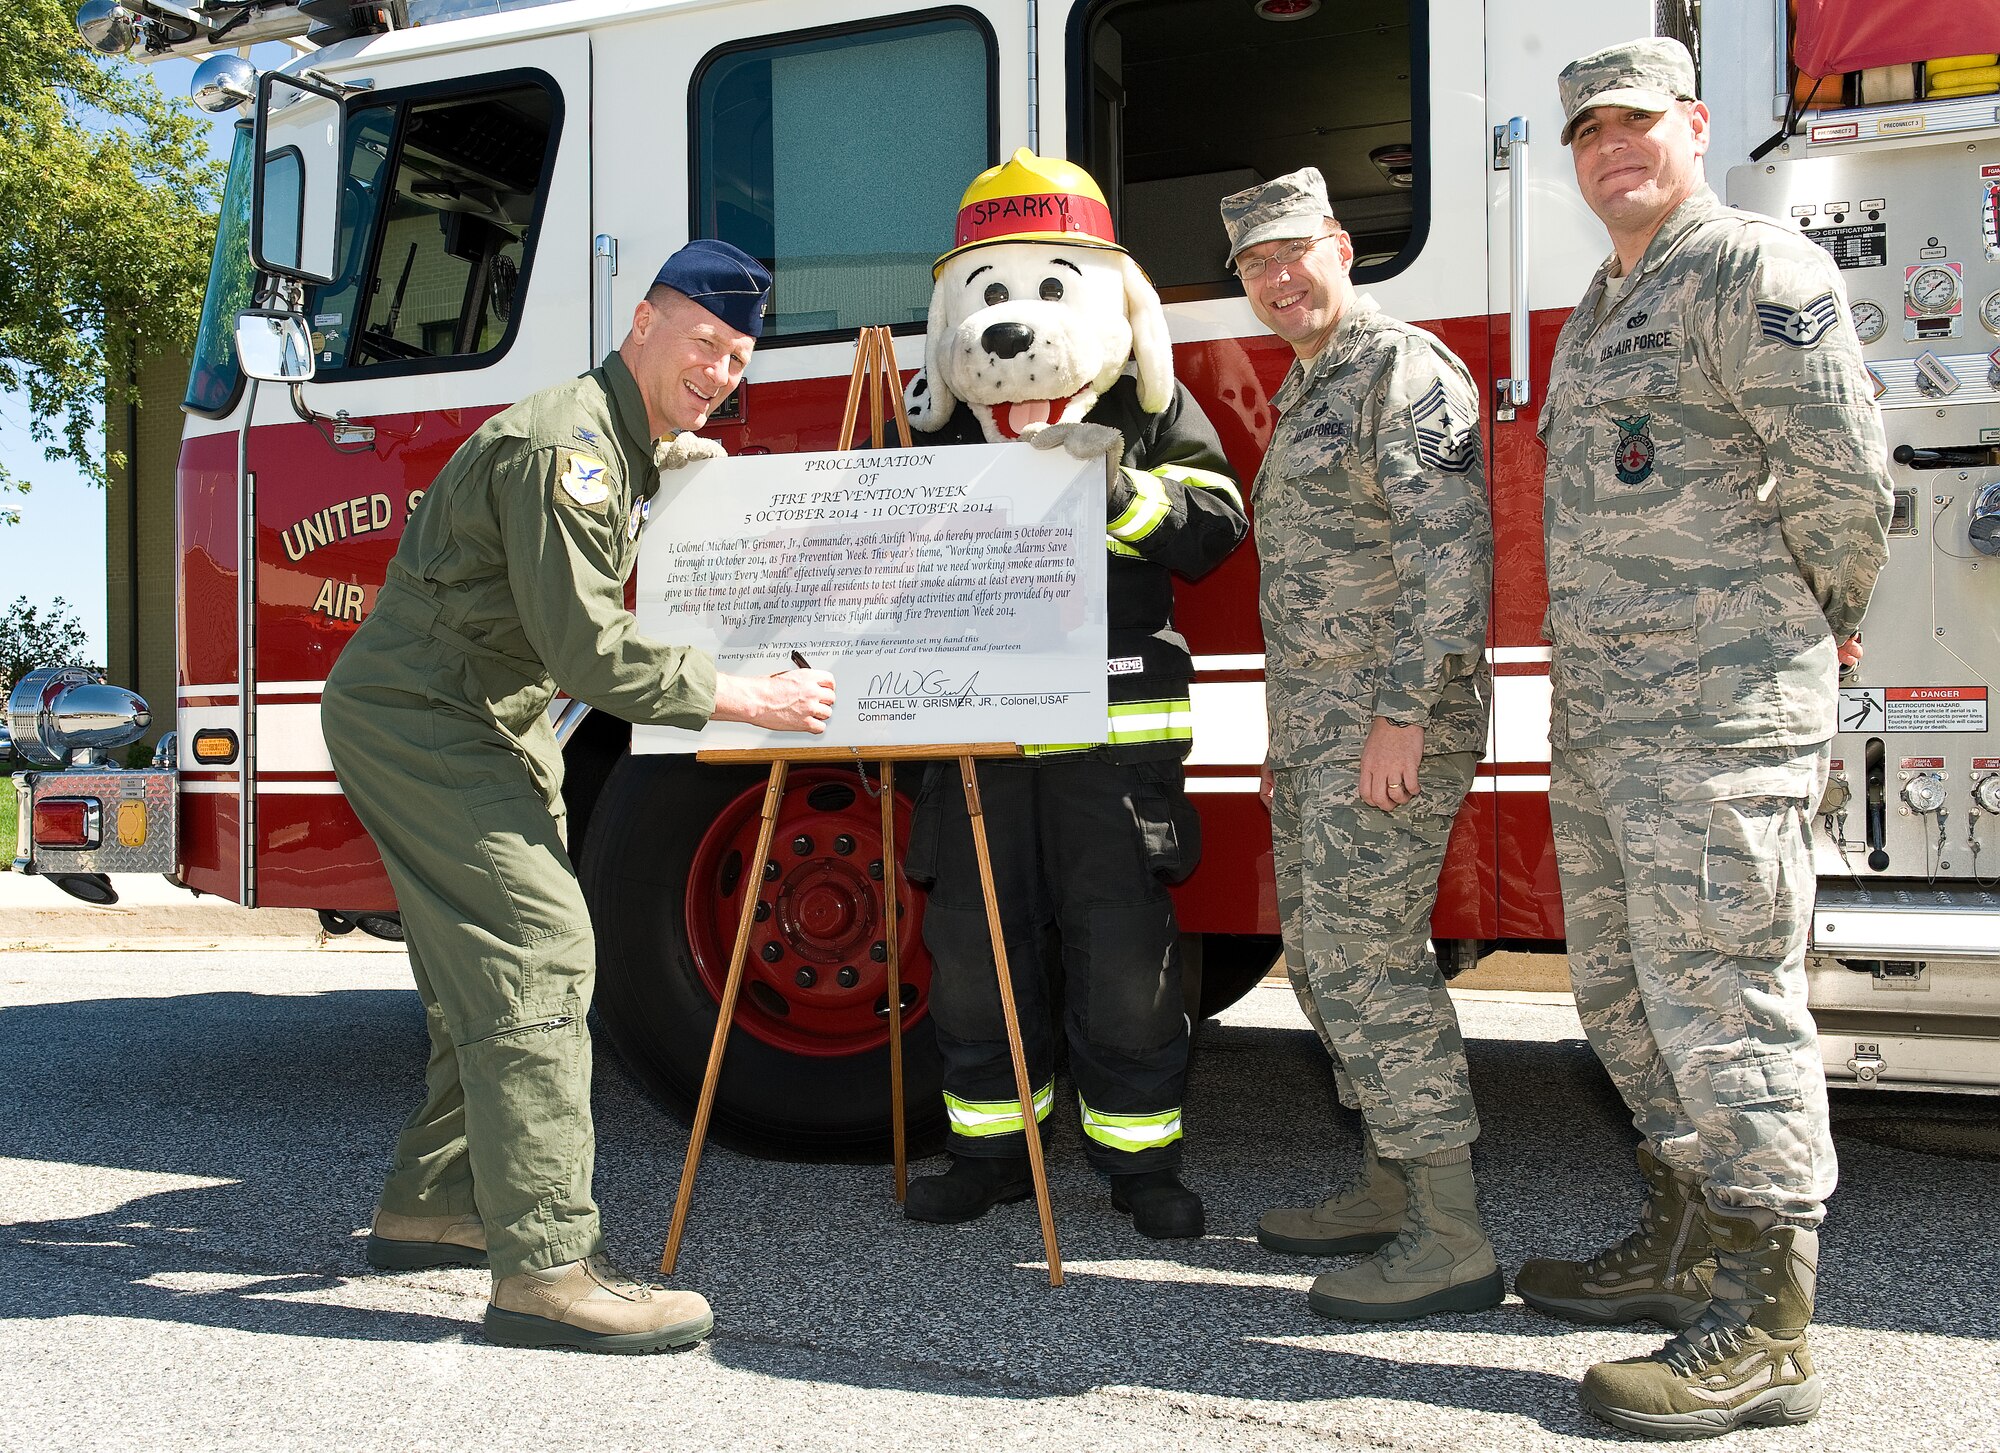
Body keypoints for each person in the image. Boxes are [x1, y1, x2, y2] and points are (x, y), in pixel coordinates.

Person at [323, 239, 837, 1354]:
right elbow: (592, 654)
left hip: (478, 713)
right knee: (539, 953)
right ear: (641, 321)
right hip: (432, 715)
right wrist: (749, 696)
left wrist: (667, 467)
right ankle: (546, 1268)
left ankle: (430, 1204)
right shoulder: (572, 448)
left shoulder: (616, 440)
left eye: (739, 356)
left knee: (483, 968)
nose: (720, 371)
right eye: (704, 341)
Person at [1523, 38, 1891, 1438]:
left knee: (1726, 1001)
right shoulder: (1607, 300)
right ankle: (1682, 1244)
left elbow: (1845, 475)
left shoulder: (1753, 271)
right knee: (1626, 996)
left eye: (1639, 122)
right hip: (1611, 722)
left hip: (1720, 718)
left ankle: (1772, 1327)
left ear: (1695, 124)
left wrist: (1809, 628)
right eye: (1589, 131)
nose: (1613, 147)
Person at [896, 152, 1248, 1240]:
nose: (1010, 323)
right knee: (971, 955)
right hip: (976, 746)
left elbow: (1214, 529)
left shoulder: (1149, 412)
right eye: (988, 292)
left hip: (1109, 751)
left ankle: (1137, 1163)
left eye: (1045, 287)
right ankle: (990, 1155)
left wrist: (1118, 487)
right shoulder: (930, 426)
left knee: (1124, 962)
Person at [1217, 167, 1499, 1321]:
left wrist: (1399, 716)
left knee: (1368, 960)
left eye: (1293, 251)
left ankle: (1449, 1233)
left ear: (1339, 245)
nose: (1278, 278)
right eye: (1253, 264)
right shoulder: (1313, 384)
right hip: (1322, 730)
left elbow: (1448, 554)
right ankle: (1389, 1180)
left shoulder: (1398, 368)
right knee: (1326, 953)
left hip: (1385, 725)